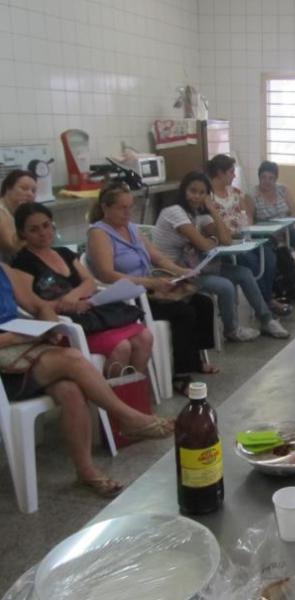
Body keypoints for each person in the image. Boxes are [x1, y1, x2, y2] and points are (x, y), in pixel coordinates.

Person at [0, 262, 173, 498]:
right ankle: (127, 418)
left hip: (24, 352)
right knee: (72, 359)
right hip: (7, 368)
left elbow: (38, 305)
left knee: (71, 391)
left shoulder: (4, 270)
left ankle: (86, 471)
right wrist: (13, 338)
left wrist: (51, 325)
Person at [85, 182, 222, 395]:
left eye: (130, 207)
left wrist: (181, 271)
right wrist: (151, 283)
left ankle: (194, 359)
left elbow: (157, 257)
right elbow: (107, 274)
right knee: (183, 312)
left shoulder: (131, 228)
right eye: (122, 208)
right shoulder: (99, 233)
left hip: (148, 289)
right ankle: (181, 374)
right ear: (105, 207)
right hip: (127, 297)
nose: (128, 213)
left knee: (203, 303)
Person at [12, 203, 154, 377]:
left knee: (145, 337)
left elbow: (89, 282)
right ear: (22, 233)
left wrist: (75, 295)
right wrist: (66, 305)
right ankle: (113, 392)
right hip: (67, 323)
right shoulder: (22, 263)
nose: (43, 233)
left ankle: (133, 387)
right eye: (34, 230)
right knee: (121, 347)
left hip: (92, 314)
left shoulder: (64, 253)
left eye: (46, 225)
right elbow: (31, 304)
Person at [151, 171, 289, 341]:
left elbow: (226, 240)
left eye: (202, 193)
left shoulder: (198, 215)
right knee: (225, 286)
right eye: (193, 191)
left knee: (244, 273)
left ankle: (267, 320)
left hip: (196, 267)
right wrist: (211, 240)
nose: (197, 196)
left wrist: (213, 210)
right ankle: (231, 330)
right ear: (183, 190)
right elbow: (203, 245)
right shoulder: (175, 212)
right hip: (174, 273)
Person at [206, 154, 291, 318]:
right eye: (231, 172)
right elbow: (209, 225)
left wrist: (245, 231)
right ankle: (267, 302)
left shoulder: (236, 193)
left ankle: (267, 299)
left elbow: (247, 218)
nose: (234, 176)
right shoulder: (208, 196)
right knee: (252, 262)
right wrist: (232, 233)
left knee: (269, 257)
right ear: (220, 173)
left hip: (244, 237)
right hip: (225, 243)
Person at [251, 160, 295, 273]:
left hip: (286, 229)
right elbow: (250, 222)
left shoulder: (282, 190)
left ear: (276, 179)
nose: (267, 181)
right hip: (266, 233)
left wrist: (284, 225)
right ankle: (283, 277)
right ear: (259, 177)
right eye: (263, 177)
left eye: (271, 178)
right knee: (275, 253)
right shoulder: (252, 195)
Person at [0, 169, 37, 259]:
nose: (30, 194)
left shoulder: (19, 212)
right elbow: (12, 246)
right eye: (24, 188)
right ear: (8, 188)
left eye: (33, 191)